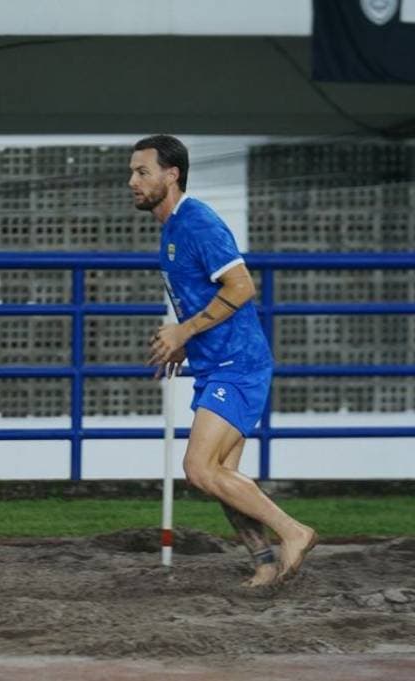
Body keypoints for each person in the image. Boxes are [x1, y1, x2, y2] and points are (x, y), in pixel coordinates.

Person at [128, 134, 318, 586]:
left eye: (142, 172)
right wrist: (184, 345)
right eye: (132, 172)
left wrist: (183, 331)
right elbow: (202, 297)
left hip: (239, 364)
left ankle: (295, 531)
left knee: (198, 469)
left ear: (171, 175)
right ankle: (266, 564)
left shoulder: (198, 223)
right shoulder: (171, 228)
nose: (132, 181)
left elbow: (241, 287)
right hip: (216, 364)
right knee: (221, 476)